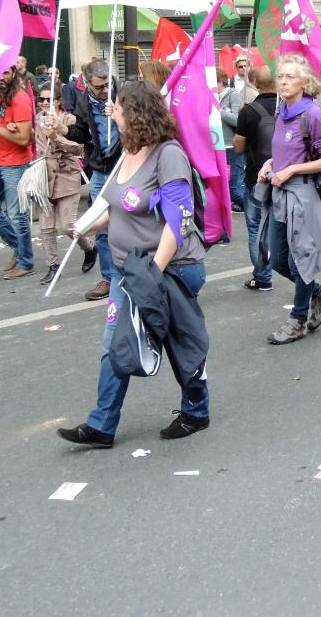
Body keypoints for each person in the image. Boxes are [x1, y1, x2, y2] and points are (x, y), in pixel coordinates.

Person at [58, 81, 211, 448]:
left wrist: (153, 273)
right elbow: (118, 210)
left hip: (169, 268)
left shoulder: (169, 154)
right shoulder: (128, 151)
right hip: (129, 269)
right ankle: (102, 425)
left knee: (180, 344)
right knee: (118, 342)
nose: (113, 112)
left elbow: (179, 220)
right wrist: (85, 229)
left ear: (136, 113)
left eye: (119, 108)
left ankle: (197, 410)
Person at [256, 54, 321, 344]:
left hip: (301, 194)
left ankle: (298, 319)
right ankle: (318, 294)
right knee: (277, 259)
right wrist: (270, 164)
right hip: (280, 193)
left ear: (305, 82)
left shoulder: (311, 114)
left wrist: (291, 169)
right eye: (280, 76)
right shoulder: (282, 110)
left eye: (291, 76)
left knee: (301, 257)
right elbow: (283, 151)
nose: (283, 81)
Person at [68, 58, 122, 300]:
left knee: (132, 218)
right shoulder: (83, 99)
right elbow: (80, 132)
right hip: (100, 167)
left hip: (125, 165)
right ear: (87, 84)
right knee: (100, 224)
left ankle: (136, 271)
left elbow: (143, 126)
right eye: (99, 87)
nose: (104, 90)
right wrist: (62, 130)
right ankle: (108, 277)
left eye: (107, 84)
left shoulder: (125, 93)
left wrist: (121, 115)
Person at [35, 84, 95, 285]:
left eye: (48, 99)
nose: (44, 103)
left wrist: (56, 137)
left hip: (66, 175)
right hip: (44, 177)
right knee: (46, 225)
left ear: (58, 100)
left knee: (68, 225)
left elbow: (79, 149)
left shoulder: (69, 120)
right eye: (41, 99)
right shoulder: (38, 120)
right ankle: (53, 265)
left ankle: (88, 248)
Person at [0, 68, 36, 279]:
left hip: (15, 164)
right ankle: (19, 248)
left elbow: (24, 139)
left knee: (17, 215)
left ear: (13, 73)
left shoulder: (20, 99)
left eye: (4, 72)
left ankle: (26, 262)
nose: (0, 77)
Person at [233, 66, 278, 292]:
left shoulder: (249, 111)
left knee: (255, 228)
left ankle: (262, 276)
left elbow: (238, 147)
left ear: (256, 84)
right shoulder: (287, 107)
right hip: (285, 176)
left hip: (256, 177)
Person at [220, 54, 257, 213]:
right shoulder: (234, 84)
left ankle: (255, 209)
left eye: (245, 65)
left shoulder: (238, 91)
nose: (243, 68)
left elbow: (237, 119)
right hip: (220, 144)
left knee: (234, 187)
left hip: (236, 142)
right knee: (228, 186)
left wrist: (219, 111)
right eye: (240, 66)